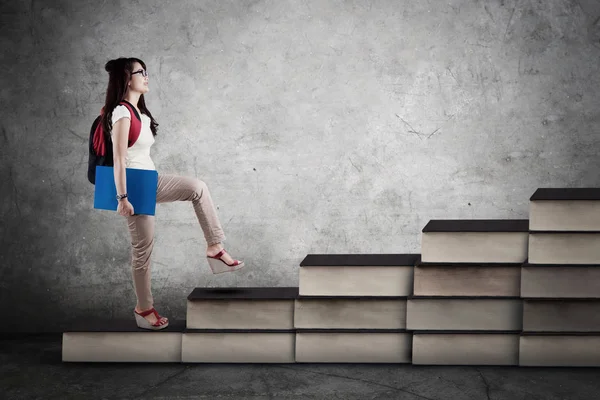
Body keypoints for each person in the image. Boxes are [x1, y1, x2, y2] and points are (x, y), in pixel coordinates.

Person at [100, 57, 244, 331]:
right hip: (133, 186)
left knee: (197, 188)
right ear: (127, 79)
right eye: (141, 72)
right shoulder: (121, 112)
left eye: (146, 71)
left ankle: (215, 247)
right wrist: (122, 198)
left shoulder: (138, 111)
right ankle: (143, 309)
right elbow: (119, 158)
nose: (147, 76)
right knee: (143, 252)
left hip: (149, 180)